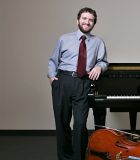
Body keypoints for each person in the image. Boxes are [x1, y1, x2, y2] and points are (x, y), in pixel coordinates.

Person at [48, 7, 108, 160]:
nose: (87, 22)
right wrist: (51, 77)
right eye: (84, 18)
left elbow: (103, 61)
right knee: (62, 124)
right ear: (78, 20)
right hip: (63, 81)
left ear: (94, 23)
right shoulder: (64, 39)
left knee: (80, 125)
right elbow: (53, 60)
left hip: (83, 83)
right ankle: (64, 157)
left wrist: (98, 67)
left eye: (90, 20)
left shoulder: (98, 41)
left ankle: (78, 157)